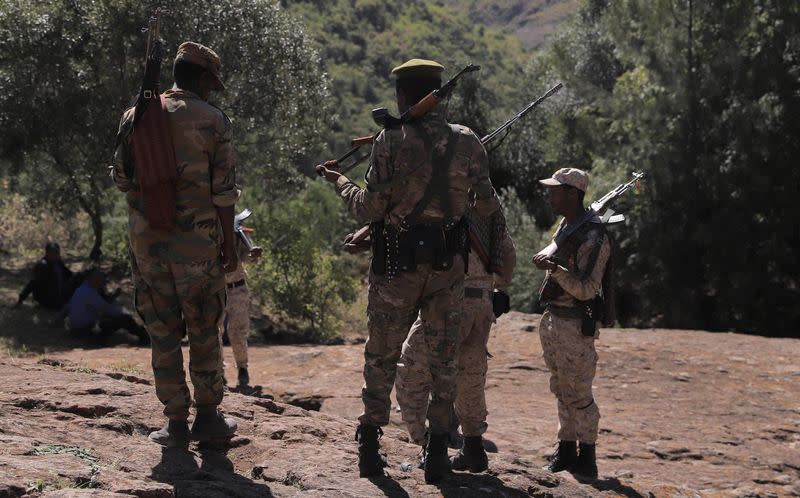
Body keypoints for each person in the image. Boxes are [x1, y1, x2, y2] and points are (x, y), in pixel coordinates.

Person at [316, 58, 500, 483]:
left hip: (396, 264)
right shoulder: (468, 141)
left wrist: (339, 182)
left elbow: (370, 207)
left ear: (402, 95)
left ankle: (369, 446)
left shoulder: (391, 139)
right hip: (447, 267)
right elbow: (489, 206)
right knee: (443, 360)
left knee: (381, 354)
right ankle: (437, 453)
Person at [112, 41, 240, 448]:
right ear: (202, 78)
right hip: (198, 248)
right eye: (210, 83)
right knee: (204, 327)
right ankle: (207, 417)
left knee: (162, 331)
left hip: (148, 249)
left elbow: (120, 178)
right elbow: (224, 193)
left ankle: (174, 421)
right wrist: (230, 247)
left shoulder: (137, 114)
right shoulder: (212, 120)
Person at [395, 205, 516, 473]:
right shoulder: (490, 210)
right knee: (469, 376)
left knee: (410, 372)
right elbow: (507, 264)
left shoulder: (442, 202)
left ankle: (429, 447)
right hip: (482, 305)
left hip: (448, 301)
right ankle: (473, 448)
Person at [532, 168, 611, 479]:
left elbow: (589, 289)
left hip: (576, 325)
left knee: (578, 392)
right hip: (555, 320)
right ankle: (565, 448)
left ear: (572, 194)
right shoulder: (567, 227)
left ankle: (587, 455)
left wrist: (554, 270)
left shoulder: (594, 236)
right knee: (560, 388)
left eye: (556, 190)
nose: (550, 195)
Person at [53, 269, 149, 345]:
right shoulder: (90, 293)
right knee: (124, 319)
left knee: (115, 318)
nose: (102, 283)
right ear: (94, 280)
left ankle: (142, 334)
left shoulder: (80, 290)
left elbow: (67, 308)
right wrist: (123, 315)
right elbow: (107, 309)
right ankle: (145, 337)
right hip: (86, 330)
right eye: (101, 280)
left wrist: (56, 321)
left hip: (76, 329)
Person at [221, 217, 262, 387]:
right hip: (215, 289)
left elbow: (248, 257)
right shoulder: (208, 230)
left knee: (237, 332)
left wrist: (254, 255)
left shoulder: (239, 233)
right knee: (213, 332)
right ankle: (217, 372)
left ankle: (242, 369)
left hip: (237, 289)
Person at [15, 242, 73, 309]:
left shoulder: (58, 263)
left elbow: (69, 275)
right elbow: (32, 283)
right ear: (47, 253)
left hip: (59, 294)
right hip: (47, 299)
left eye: (57, 252)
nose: (56, 255)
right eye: (53, 253)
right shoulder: (42, 265)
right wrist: (21, 299)